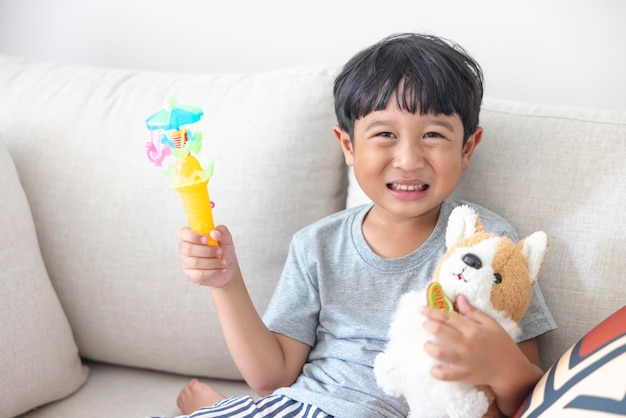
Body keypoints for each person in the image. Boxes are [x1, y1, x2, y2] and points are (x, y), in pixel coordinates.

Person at [174, 33, 556, 418]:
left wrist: (499, 364)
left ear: (467, 148)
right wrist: (225, 282)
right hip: (300, 407)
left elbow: (527, 397)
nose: (408, 159)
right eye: (385, 134)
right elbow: (272, 379)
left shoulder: (487, 246)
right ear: (348, 146)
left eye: (434, 135)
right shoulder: (317, 244)